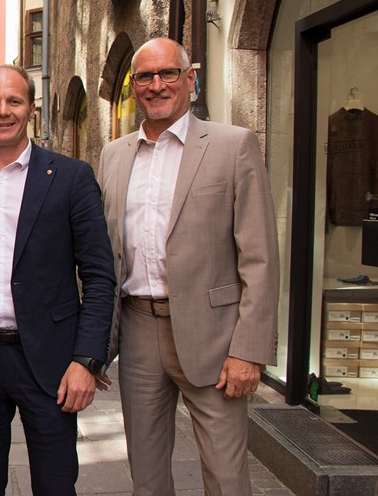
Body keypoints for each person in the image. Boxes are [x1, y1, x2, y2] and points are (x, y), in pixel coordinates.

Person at [98, 37, 279, 495]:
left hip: (215, 338)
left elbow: (259, 257)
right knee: (147, 472)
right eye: (144, 77)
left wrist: (249, 350)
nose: (157, 85)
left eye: (168, 74)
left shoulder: (233, 145)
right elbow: (106, 256)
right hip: (138, 330)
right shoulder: (113, 155)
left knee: (226, 474)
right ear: (133, 87)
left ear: (190, 80)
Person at [0, 64, 116, 495]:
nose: (3, 111)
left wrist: (87, 360)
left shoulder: (71, 177)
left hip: (50, 362)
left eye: (14, 101)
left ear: (32, 108)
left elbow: (99, 276)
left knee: (54, 485)